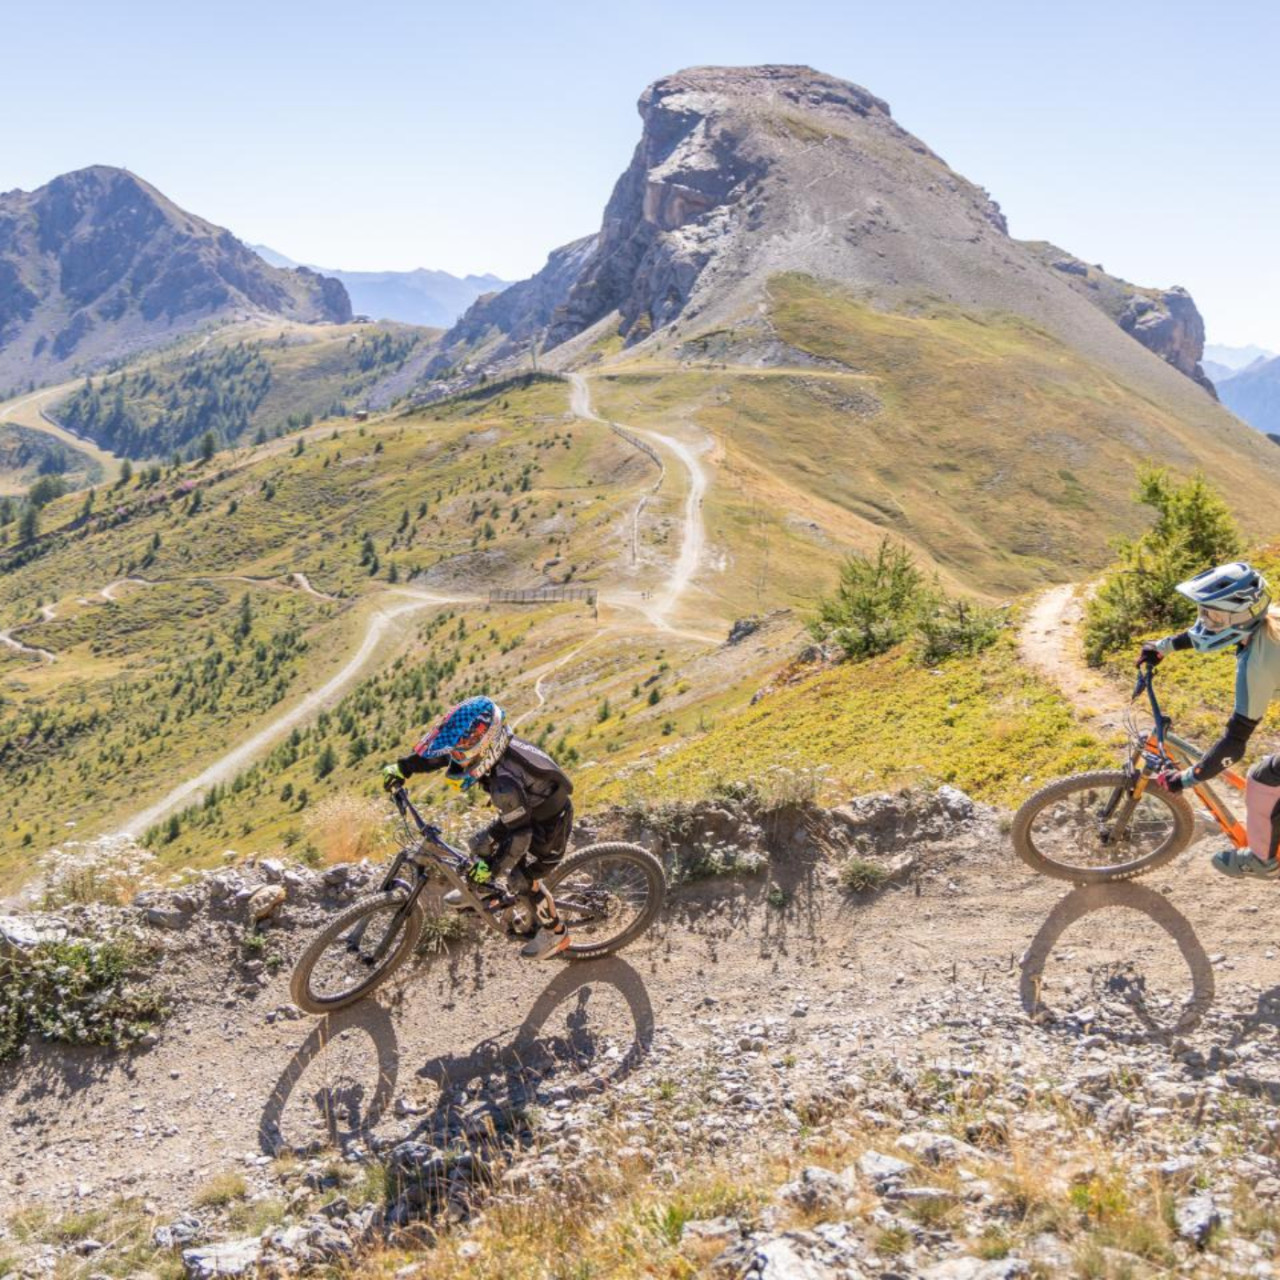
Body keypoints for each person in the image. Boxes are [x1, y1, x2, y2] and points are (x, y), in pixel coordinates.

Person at [381, 696, 575, 959]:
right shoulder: (494, 750)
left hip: (546, 825)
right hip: (525, 812)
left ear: (481, 750)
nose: (455, 760)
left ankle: (556, 933)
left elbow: (521, 836)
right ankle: (482, 892)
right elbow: (444, 755)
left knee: (521, 878)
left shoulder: (504, 785)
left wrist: (493, 869)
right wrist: (404, 767)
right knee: (479, 845)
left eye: (460, 755)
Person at [1138, 561, 1280, 880]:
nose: (1205, 622)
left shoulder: (1258, 666)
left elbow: (1234, 743)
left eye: (1214, 616)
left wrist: (1187, 779)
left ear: (1243, 616)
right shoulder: (1270, 621)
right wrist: (1163, 647)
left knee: (1263, 779)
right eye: (1205, 612)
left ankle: (1263, 861)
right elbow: (1202, 636)